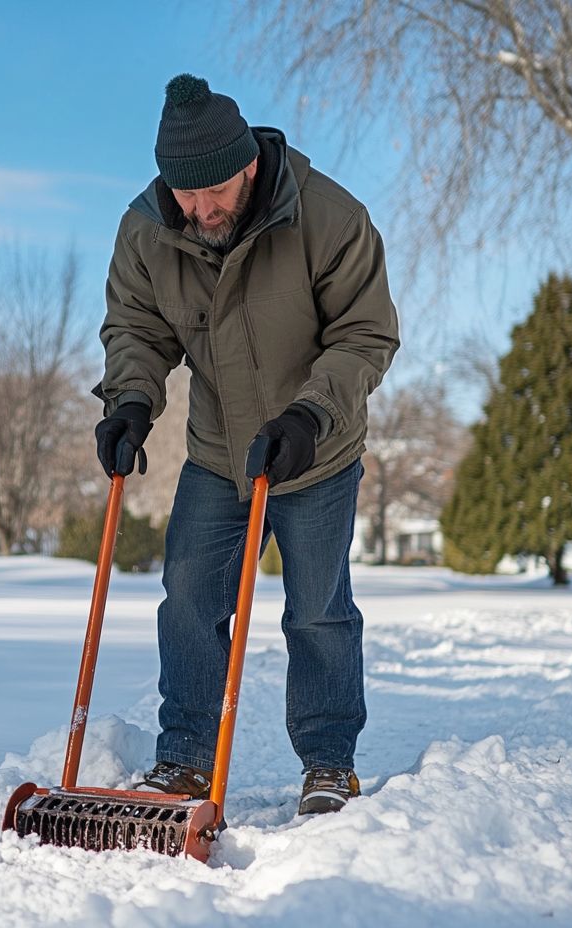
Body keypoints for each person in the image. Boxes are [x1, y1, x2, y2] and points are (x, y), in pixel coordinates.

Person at [93, 74, 400, 815]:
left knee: (316, 610)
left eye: (215, 194)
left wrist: (308, 417)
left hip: (314, 449)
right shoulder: (149, 228)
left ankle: (328, 762)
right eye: (186, 195)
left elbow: (367, 335)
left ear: (250, 166)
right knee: (191, 599)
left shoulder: (328, 217)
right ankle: (185, 761)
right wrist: (131, 399)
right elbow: (138, 326)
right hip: (217, 449)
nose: (200, 210)